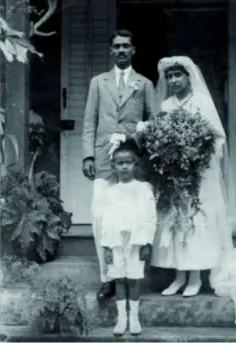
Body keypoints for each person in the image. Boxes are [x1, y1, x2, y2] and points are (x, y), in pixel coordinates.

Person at [139, 56, 236, 332]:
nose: (174, 80)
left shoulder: (201, 102)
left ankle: (195, 277)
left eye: (179, 75)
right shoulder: (164, 106)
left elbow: (218, 138)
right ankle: (178, 275)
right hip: (174, 177)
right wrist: (168, 156)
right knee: (175, 222)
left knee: (196, 222)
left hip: (199, 175)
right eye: (170, 76)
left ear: (189, 77)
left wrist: (195, 153)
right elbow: (157, 138)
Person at [81, 29, 159, 302]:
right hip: (104, 159)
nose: (122, 50)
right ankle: (108, 279)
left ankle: (132, 275)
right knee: (101, 217)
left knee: (132, 218)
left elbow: (156, 123)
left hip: (132, 161)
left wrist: (135, 134)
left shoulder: (145, 83)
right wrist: (88, 156)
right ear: (111, 51)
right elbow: (90, 121)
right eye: (117, 46)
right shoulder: (98, 82)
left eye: (126, 46)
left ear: (133, 50)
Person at [99, 136, 156, 336]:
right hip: (116, 241)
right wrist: (106, 247)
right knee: (119, 280)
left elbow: (150, 217)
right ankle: (121, 318)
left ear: (135, 164)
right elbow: (105, 220)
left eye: (128, 163)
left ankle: (134, 318)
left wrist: (147, 242)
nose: (124, 167)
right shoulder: (111, 192)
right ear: (114, 166)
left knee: (133, 279)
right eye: (120, 163)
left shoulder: (143, 189)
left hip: (136, 240)